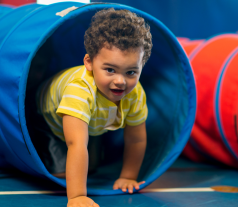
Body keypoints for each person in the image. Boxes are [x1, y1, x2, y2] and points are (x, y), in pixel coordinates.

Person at [32, 8, 152, 207]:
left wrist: (128, 176)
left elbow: (136, 137)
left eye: (131, 72)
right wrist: (77, 196)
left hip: (92, 122)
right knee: (63, 173)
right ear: (89, 62)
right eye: (110, 70)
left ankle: (94, 139)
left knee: (92, 164)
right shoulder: (79, 90)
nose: (120, 81)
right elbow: (76, 144)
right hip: (47, 119)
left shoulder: (135, 92)